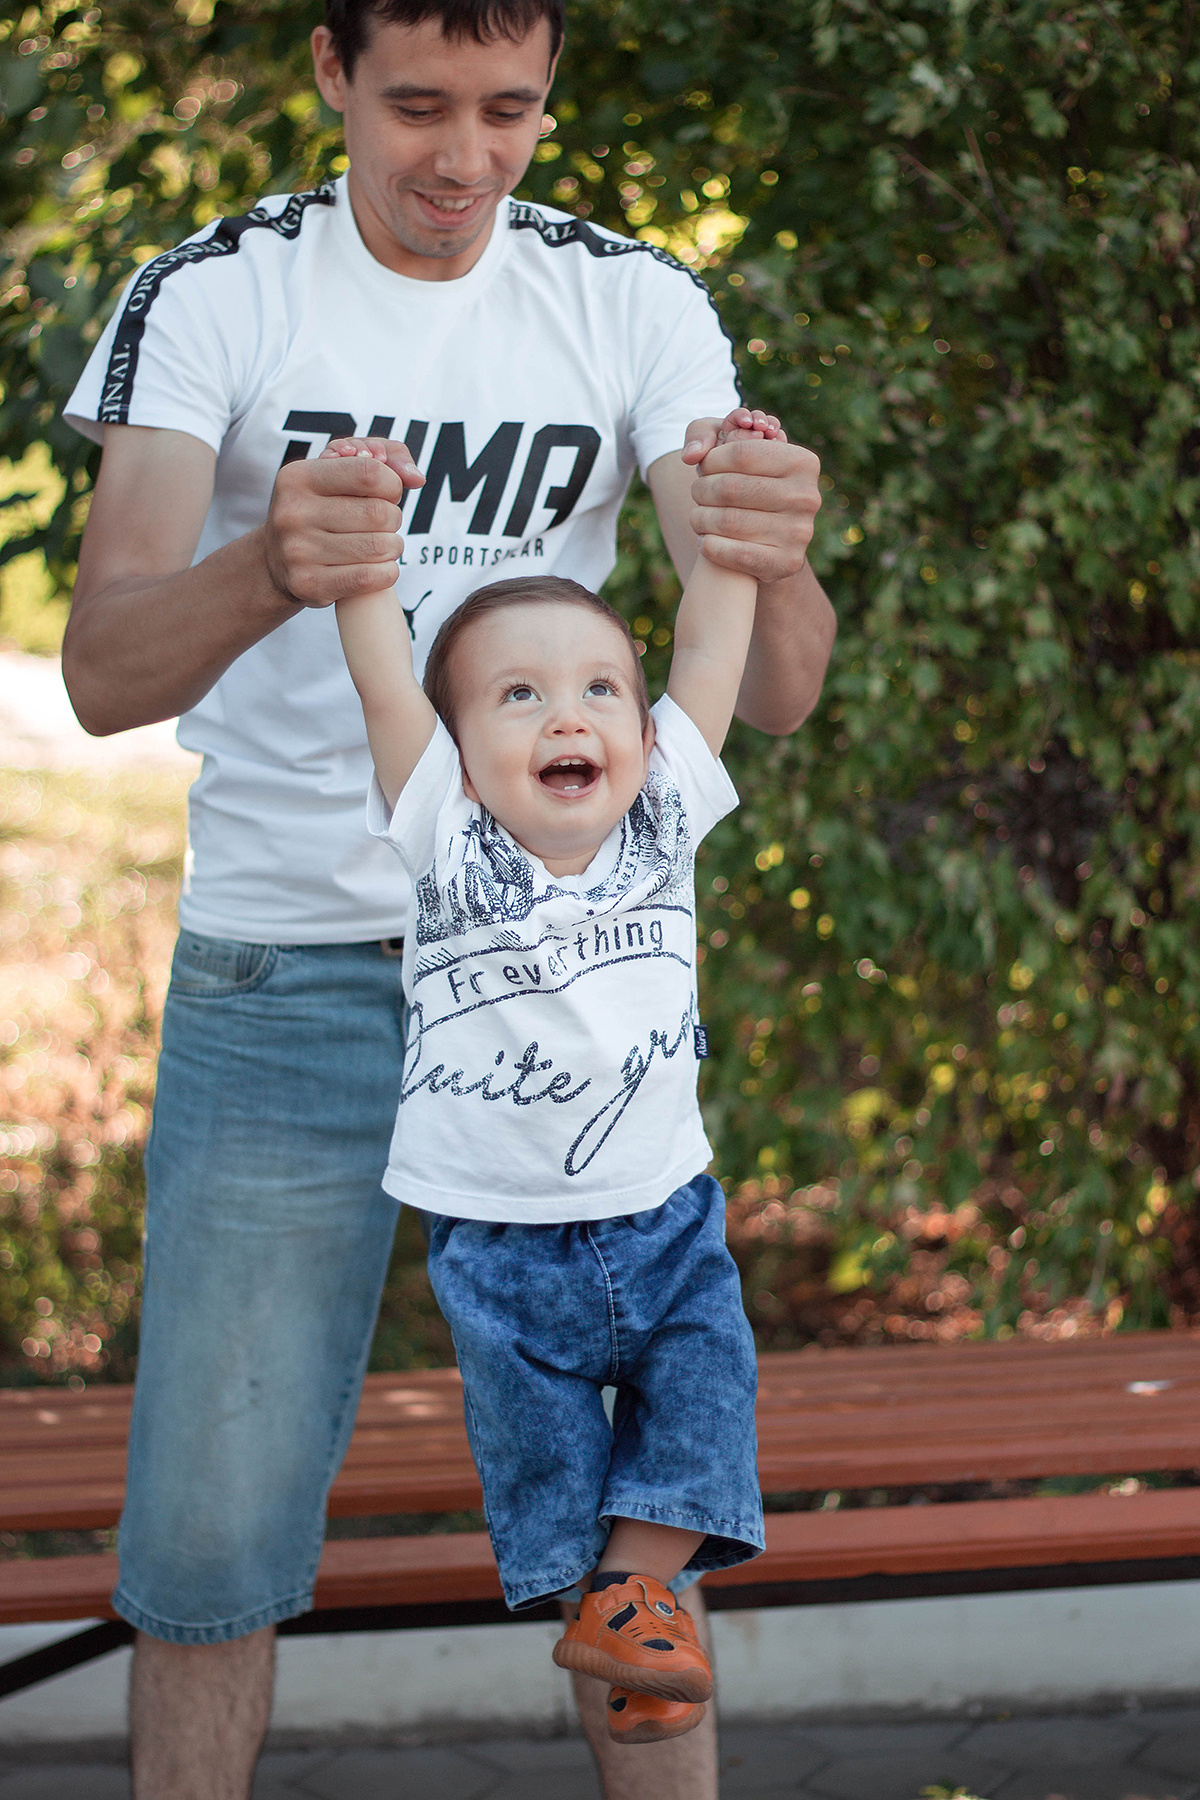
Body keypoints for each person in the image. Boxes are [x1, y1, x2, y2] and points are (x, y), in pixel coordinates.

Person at [60, 0, 835, 1791]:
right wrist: (270, 563)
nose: (464, 159)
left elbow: (778, 687)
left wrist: (776, 548)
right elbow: (102, 670)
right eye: (418, 105)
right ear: (331, 72)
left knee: (636, 1522)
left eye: (510, 110)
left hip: (565, 977)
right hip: (291, 973)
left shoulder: (631, 301)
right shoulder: (218, 293)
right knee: (213, 1526)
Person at [327, 407, 778, 1743]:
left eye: (598, 690)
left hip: (667, 1216)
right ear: (459, 750)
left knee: (706, 1410)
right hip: (502, 1240)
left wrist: (727, 513)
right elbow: (383, 677)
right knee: (549, 1471)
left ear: (642, 728)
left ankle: (632, 1609)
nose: (567, 714)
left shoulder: (665, 813)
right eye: (518, 695)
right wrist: (361, 545)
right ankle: (621, 1619)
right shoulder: (445, 831)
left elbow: (712, 644)